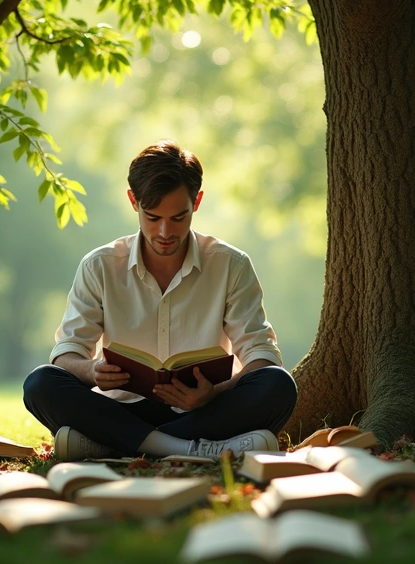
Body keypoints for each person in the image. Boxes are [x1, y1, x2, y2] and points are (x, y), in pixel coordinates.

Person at [23, 141, 298, 461]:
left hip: (202, 411)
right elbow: (65, 356)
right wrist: (92, 370)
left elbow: (262, 356)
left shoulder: (229, 264)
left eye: (178, 217)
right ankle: (187, 449)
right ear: (133, 201)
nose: (165, 231)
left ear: (197, 202)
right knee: (41, 383)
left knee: (278, 384)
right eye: (152, 217)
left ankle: (113, 446)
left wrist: (214, 392)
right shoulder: (99, 265)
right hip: (121, 409)